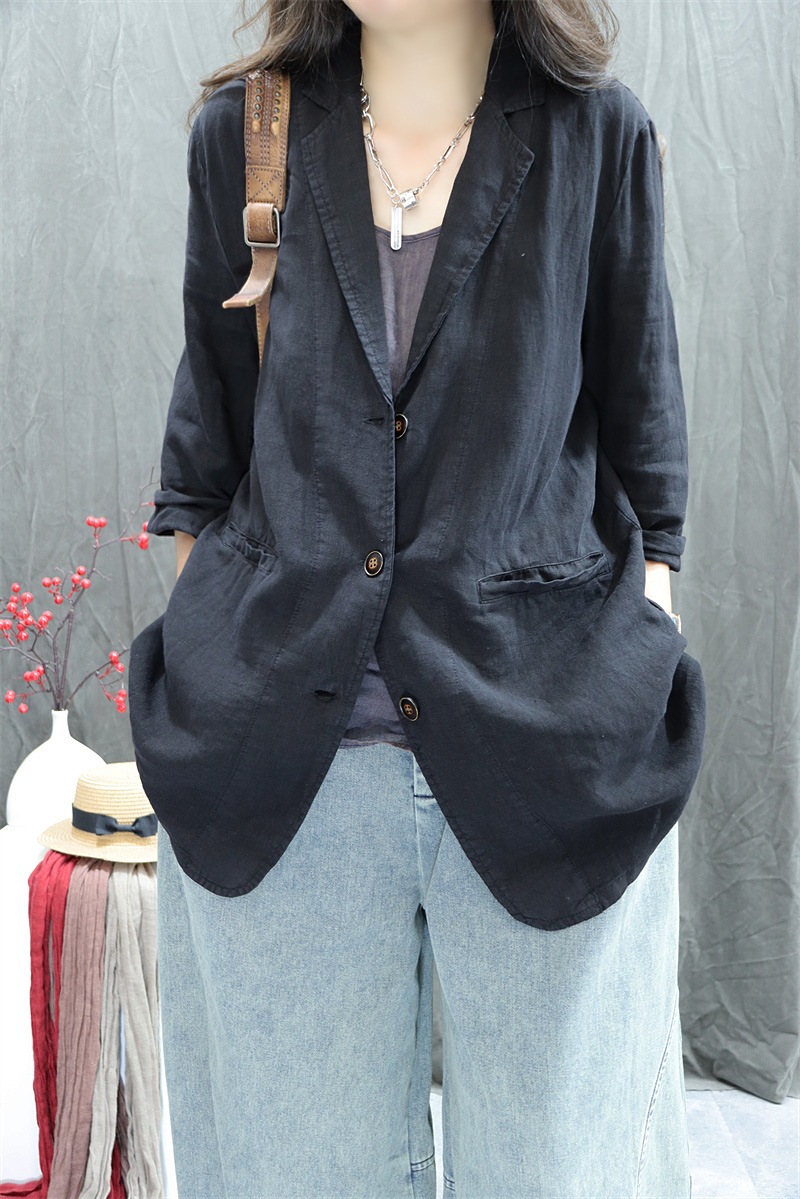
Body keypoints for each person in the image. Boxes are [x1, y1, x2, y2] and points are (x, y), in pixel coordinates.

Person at [129, 0, 707, 1195]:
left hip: (549, 755)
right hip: (284, 771)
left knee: (560, 1173)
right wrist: (227, 664)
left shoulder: (596, 135)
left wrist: (628, 663)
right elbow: (203, 463)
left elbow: (648, 468)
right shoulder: (246, 137)